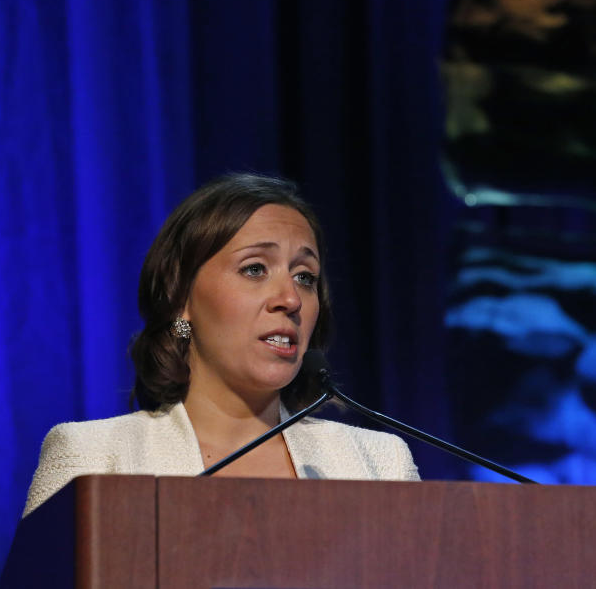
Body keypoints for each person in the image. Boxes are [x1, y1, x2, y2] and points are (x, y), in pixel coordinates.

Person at [23, 173, 419, 516]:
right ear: (182, 299)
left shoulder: (379, 464)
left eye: (304, 276)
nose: (291, 299)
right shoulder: (93, 459)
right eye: (254, 269)